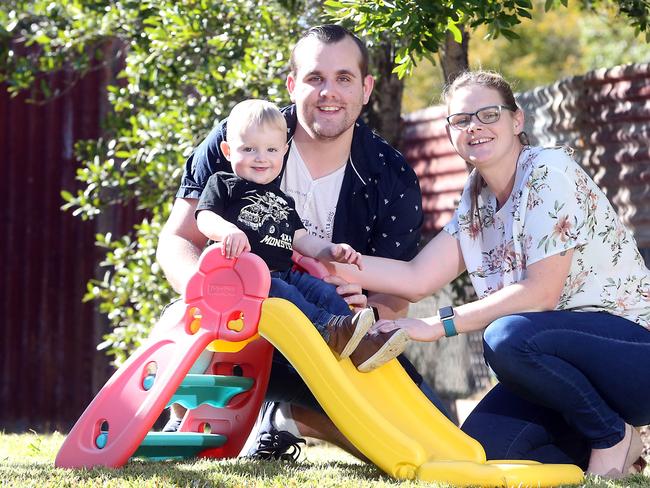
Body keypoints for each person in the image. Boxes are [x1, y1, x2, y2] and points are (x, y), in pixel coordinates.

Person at [331, 70, 650, 478]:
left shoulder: (547, 172)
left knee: (505, 337)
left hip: (629, 354)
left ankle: (609, 435)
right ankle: (610, 437)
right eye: (461, 120)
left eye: (488, 114)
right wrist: (321, 259)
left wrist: (435, 325)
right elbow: (415, 277)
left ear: (517, 121)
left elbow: (540, 295)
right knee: (484, 448)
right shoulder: (475, 198)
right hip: (559, 367)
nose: (474, 127)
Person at [156, 24, 447, 459]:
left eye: (344, 78)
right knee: (183, 325)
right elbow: (177, 240)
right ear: (292, 85)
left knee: (435, 435)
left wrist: (366, 313)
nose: (329, 92)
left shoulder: (390, 173)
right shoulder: (239, 136)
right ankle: (206, 404)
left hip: (331, 339)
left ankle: (284, 416)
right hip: (236, 330)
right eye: (315, 78)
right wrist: (215, 299)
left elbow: (394, 295)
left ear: (366, 88)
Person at [195, 98, 408, 370]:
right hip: (242, 279)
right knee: (285, 293)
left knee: (325, 291)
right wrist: (228, 231)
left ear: (284, 151)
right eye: (249, 149)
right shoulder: (224, 184)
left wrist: (330, 250)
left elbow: (301, 239)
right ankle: (330, 330)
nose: (261, 157)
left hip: (284, 274)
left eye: (271, 149)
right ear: (227, 151)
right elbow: (205, 216)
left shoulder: (282, 199)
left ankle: (360, 341)